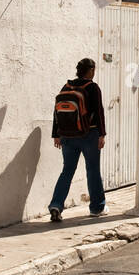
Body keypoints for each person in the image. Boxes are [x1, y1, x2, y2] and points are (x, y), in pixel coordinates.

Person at [49, 58, 108, 221]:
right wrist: (102, 134)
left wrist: (56, 134)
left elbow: (56, 112)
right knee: (93, 170)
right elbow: (99, 111)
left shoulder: (66, 87)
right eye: (93, 70)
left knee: (67, 171)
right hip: (89, 135)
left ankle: (56, 205)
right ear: (90, 71)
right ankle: (97, 208)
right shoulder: (92, 88)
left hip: (67, 136)